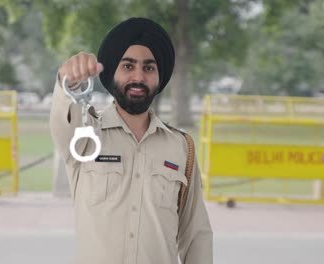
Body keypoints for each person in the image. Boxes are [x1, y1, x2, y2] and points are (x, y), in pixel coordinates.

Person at [50, 17, 212, 264]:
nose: (138, 77)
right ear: (113, 72)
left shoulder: (181, 147)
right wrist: (66, 81)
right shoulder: (85, 136)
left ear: (159, 77)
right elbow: (62, 123)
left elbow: (195, 236)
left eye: (148, 68)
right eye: (128, 66)